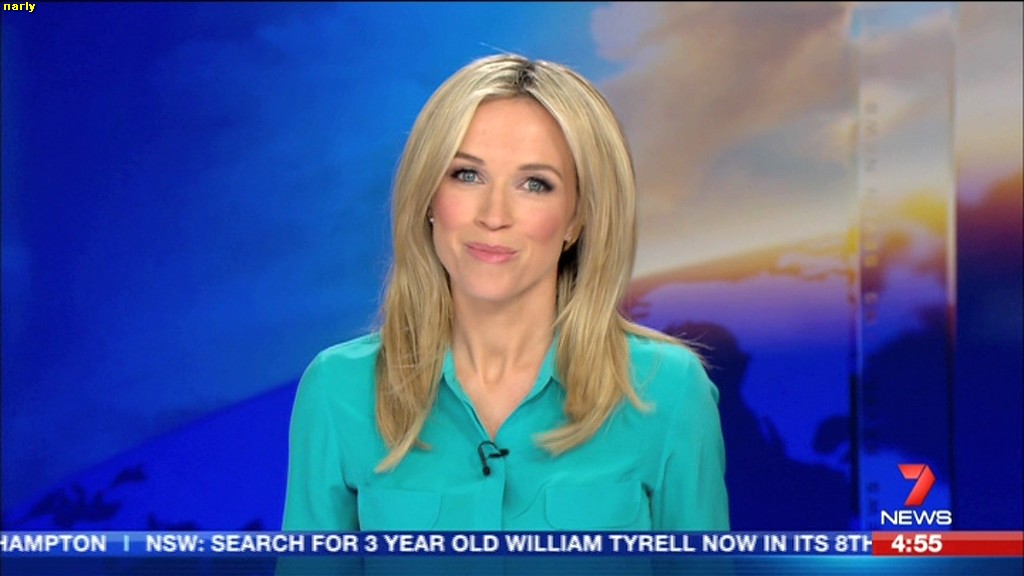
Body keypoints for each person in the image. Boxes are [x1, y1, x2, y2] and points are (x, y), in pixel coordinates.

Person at [282, 53, 730, 531]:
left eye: (535, 184)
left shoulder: (668, 391)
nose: (494, 215)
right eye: (467, 175)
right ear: (428, 197)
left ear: (577, 218)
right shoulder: (338, 390)